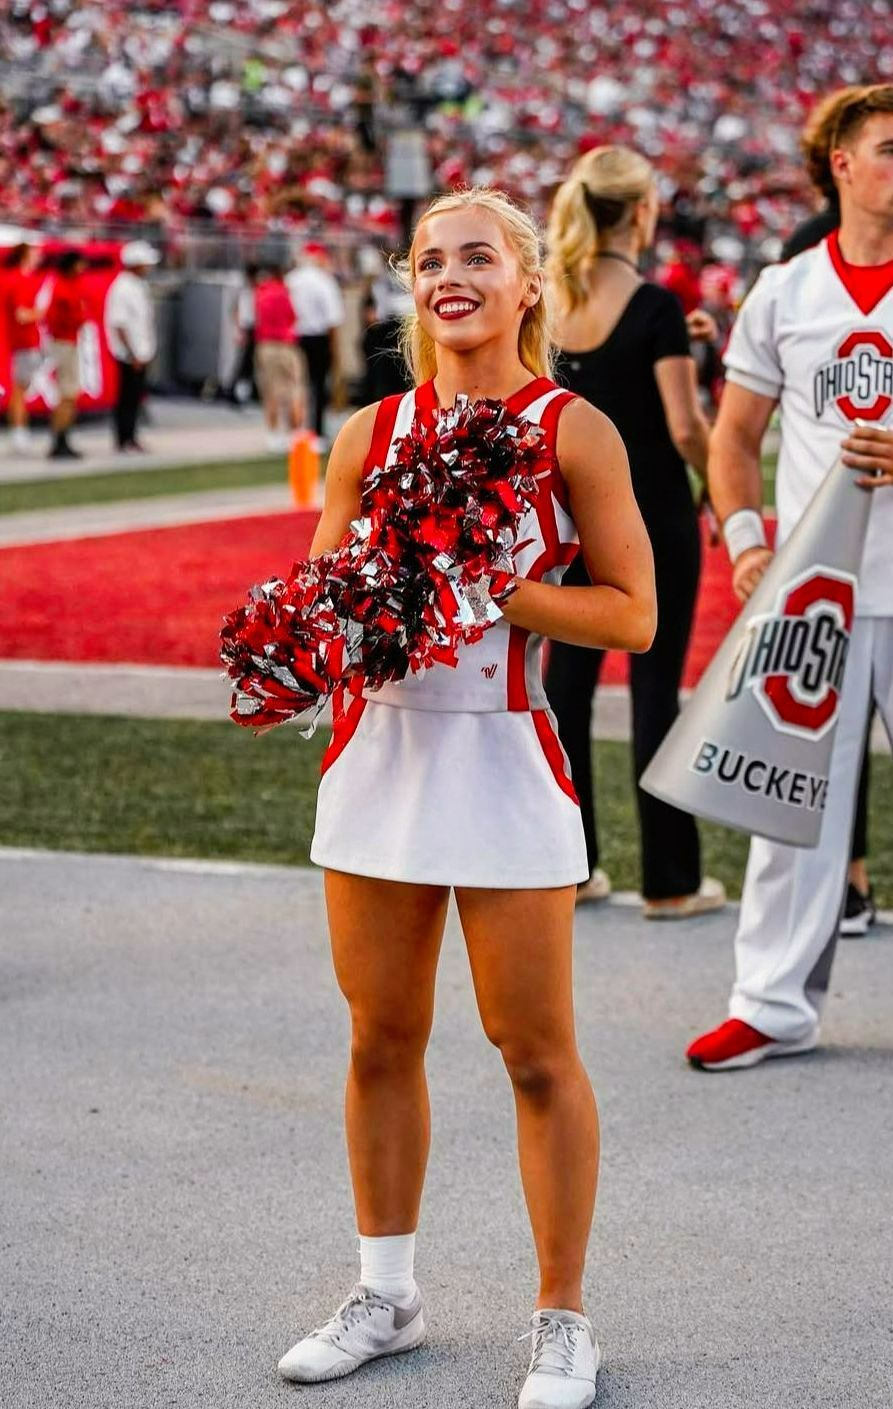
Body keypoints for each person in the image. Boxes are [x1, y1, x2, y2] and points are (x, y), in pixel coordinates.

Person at [276, 188, 656, 1408]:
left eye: (477, 256)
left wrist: (494, 582)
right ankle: (386, 1288)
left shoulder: (573, 430)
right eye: (429, 258)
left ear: (527, 282)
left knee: (533, 1051)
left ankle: (561, 1317)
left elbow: (634, 614)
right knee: (379, 1036)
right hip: (377, 758)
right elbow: (323, 597)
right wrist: (299, 634)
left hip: (502, 755)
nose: (450, 276)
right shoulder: (366, 431)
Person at [687, 83, 893, 1072]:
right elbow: (732, 437)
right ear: (839, 164)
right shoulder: (784, 289)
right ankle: (769, 1001)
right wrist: (742, 541)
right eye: (887, 148)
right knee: (789, 799)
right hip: (817, 592)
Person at [544, 146, 726, 917]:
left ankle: (570, 862)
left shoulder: (550, 299)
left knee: (565, 683)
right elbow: (684, 427)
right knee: (655, 686)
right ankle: (670, 879)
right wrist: (722, 482)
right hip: (651, 509)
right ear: (642, 211)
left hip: (574, 509)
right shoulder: (652, 306)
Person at [286, 241, 345, 448]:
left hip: (293, 337)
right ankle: (316, 432)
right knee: (318, 386)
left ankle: (295, 431)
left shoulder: (291, 280)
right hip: (318, 337)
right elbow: (333, 318)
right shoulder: (324, 281)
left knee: (296, 385)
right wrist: (334, 348)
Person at [104, 240, 160, 453]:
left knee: (136, 397)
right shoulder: (122, 288)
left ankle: (131, 436)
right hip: (130, 355)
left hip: (141, 352)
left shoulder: (138, 285)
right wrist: (132, 353)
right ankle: (123, 437)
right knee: (127, 397)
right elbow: (119, 324)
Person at [254, 264, 305, 453]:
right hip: (284, 345)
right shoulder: (283, 293)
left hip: (266, 345)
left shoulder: (261, 292)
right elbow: (292, 317)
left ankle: (273, 433)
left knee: (271, 390)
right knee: (293, 389)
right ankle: (294, 431)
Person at [43, 248, 87, 460]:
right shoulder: (62, 287)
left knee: (69, 393)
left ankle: (63, 436)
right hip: (64, 342)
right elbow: (57, 317)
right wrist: (76, 321)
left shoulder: (70, 285)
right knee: (67, 393)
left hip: (68, 341)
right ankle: (60, 438)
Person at [2, 241, 43, 455]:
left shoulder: (22, 279)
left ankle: (19, 430)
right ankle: (18, 431)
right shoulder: (19, 279)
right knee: (19, 389)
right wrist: (41, 312)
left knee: (22, 388)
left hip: (25, 342)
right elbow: (21, 315)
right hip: (21, 343)